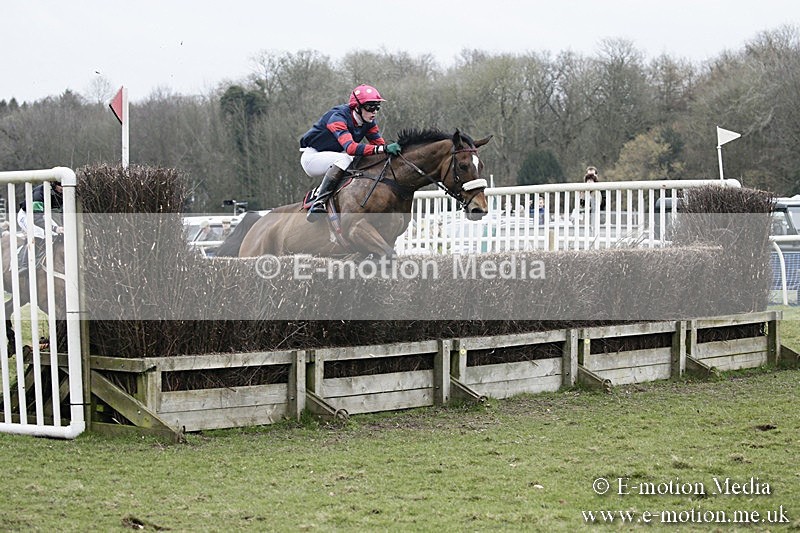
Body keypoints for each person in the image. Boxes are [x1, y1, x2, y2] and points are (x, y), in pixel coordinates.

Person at [299, 84, 402, 222]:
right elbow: (351, 148)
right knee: (346, 158)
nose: (375, 111)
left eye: (377, 107)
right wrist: (383, 149)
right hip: (312, 157)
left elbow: (380, 147)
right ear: (357, 107)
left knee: (359, 160)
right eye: (370, 107)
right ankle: (319, 202)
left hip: (336, 155)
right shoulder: (337, 117)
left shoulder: (368, 122)